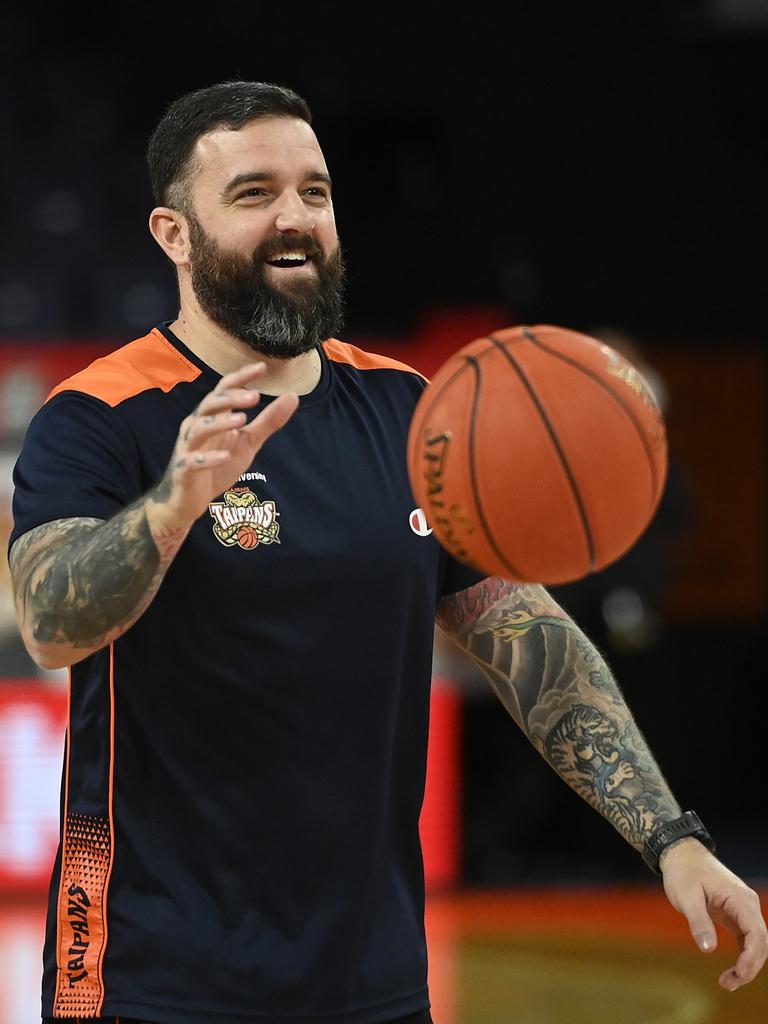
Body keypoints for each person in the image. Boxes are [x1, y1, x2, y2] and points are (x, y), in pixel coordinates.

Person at [7, 80, 766, 1024]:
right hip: (147, 979)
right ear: (173, 233)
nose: (295, 219)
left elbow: (529, 640)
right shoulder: (98, 417)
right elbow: (48, 624)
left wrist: (673, 839)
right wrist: (171, 508)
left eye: (314, 192)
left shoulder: (415, 415)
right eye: (253, 194)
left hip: (373, 984)